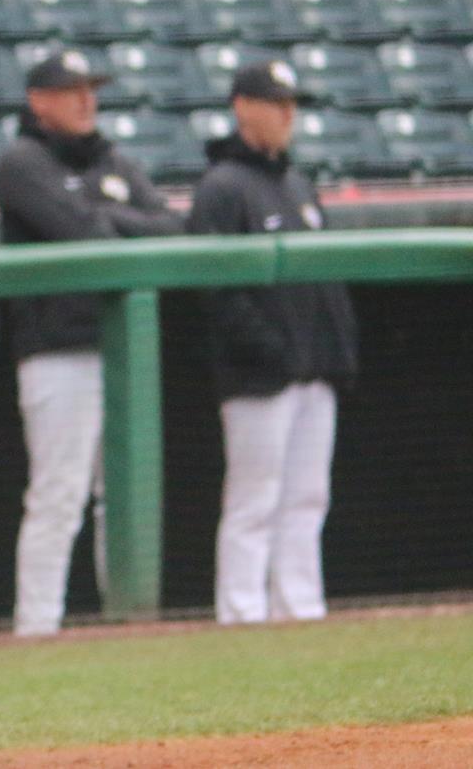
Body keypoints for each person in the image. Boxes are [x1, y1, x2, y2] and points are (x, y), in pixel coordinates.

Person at [0, 49, 184, 638]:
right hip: (56, 350)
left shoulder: (114, 160)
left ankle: (124, 617)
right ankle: (37, 626)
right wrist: (116, 215)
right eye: (72, 90)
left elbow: (175, 230)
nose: (86, 100)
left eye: (90, 89)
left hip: (119, 347)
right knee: (59, 493)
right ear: (39, 100)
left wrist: (109, 213)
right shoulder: (22, 162)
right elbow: (82, 232)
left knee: (122, 495)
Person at [189, 60, 356, 627]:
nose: (289, 115)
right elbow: (217, 291)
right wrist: (274, 352)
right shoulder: (221, 187)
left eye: (292, 104)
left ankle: (300, 609)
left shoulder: (297, 184)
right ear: (242, 107)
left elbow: (328, 280)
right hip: (259, 375)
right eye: (276, 102)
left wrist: (334, 355)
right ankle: (241, 614)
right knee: (253, 500)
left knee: (308, 498)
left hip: (314, 372)